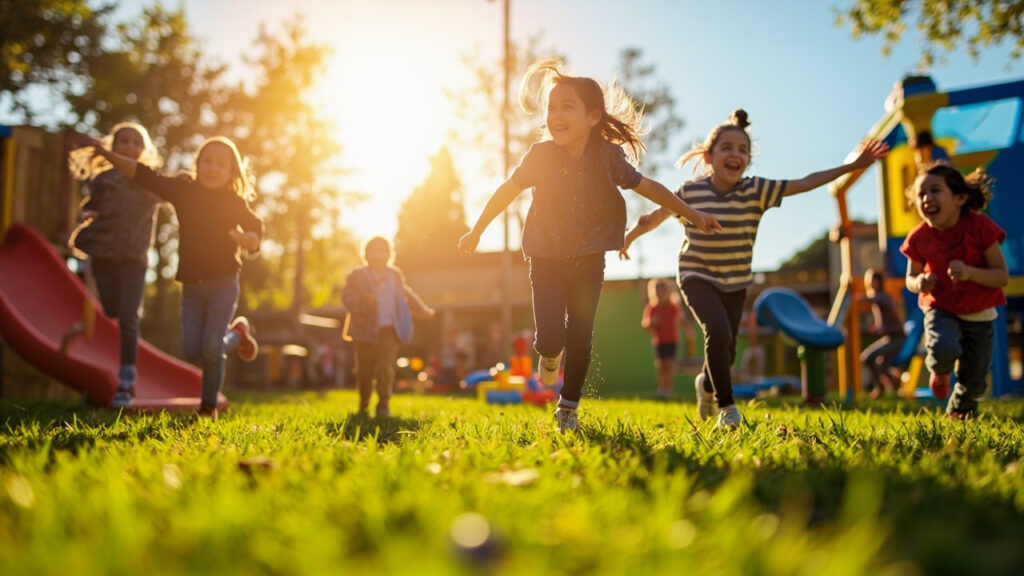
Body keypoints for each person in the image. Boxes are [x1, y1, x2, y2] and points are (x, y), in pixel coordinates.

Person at [458, 58, 721, 433]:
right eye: (551, 107)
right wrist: (478, 229)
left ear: (593, 117)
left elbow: (650, 188)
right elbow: (507, 190)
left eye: (567, 106)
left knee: (581, 334)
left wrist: (692, 215)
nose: (555, 115)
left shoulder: (608, 158)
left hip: (589, 259)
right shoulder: (540, 156)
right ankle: (549, 354)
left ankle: (568, 408)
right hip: (546, 256)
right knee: (550, 336)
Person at [621, 110, 888, 430]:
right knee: (716, 331)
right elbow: (652, 218)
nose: (736, 155)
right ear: (709, 156)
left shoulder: (756, 191)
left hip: (735, 282)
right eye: (727, 148)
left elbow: (805, 183)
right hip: (697, 275)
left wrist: (852, 166)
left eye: (743, 150)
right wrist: (628, 239)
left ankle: (706, 386)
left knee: (728, 351)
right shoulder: (690, 192)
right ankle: (728, 409)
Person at [79, 136, 264, 421]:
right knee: (192, 350)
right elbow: (142, 174)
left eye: (221, 164)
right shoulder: (183, 190)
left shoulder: (233, 201)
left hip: (224, 283)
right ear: (197, 165)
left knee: (211, 348)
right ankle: (237, 335)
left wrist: (249, 240)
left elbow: (255, 228)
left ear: (231, 171)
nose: (213, 168)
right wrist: (107, 153)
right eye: (207, 161)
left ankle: (207, 407)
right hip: (191, 287)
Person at [900, 163, 1008, 419]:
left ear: (960, 197)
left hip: (979, 312)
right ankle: (940, 369)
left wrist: (970, 273)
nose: (926, 199)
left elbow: (1001, 276)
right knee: (943, 348)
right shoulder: (918, 238)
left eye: (935, 190)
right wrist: (920, 283)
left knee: (975, 381)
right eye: (920, 194)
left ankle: (959, 413)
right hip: (941, 306)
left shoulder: (981, 227)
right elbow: (910, 278)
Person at [67, 122, 164, 408]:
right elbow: (90, 205)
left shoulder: (149, 181)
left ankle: (126, 381)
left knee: (129, 317)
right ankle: (104, 377)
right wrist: (85, 214)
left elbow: (173, 193)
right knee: (110, 310)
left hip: (135, 259)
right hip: (104, 255)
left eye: (137, 143)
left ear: (144, 151)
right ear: (112, 147)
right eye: (125, 142)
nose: (131, 147)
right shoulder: (104, 179)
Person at [342, 236, 435, 418]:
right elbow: (346, 297)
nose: (378, 255)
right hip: (364, 330)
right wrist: (363, 301)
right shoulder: (358, 276)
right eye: (373, 251)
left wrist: (423, 310)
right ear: (366, 254)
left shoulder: (395, 275)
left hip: (389, 329)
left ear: (389, 254)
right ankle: (364, 404)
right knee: (365, 371)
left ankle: (383, 405)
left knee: (385, 368)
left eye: (382, 251)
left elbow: (405, 295)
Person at [858, 268, 906, 398]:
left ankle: (881, 387)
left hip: (897, 338)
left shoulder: (883, 296)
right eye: (872, 281)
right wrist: (878, 327)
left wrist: (856, 298)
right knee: (881, 365)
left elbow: (873, 299)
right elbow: (884, 320)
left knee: (867, 357)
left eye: (876, 280)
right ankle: (895, 380)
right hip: (889, 337)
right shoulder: (878, 299)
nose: (874, 283)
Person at [642, 278, 683, 400]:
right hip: (659, 341)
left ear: (667, 291)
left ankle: (669, 390)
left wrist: (689, 330)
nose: (660, 292)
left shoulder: (672, 306)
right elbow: (645, 326)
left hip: (671, 340)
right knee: (660, 365)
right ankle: (661, 389)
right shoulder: (652, 307)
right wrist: (652, 322)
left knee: (669, 364)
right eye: (657, 289)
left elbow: (681, 318)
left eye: (662, 289)